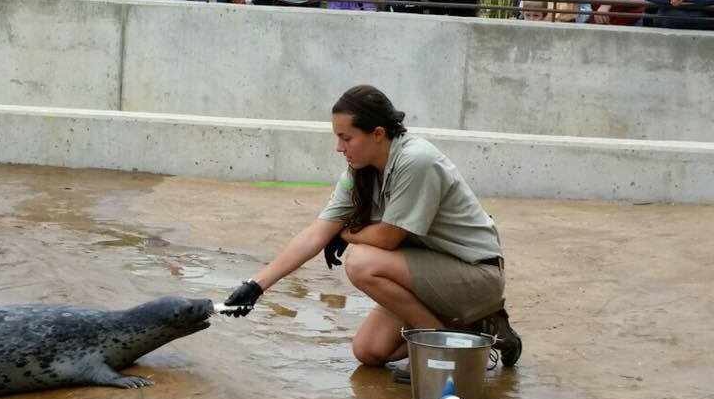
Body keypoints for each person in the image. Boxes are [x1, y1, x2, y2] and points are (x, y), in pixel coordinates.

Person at [219, 85, 523, 375]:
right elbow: (316, 233)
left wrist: (346, 234)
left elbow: (388, 238)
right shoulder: (359, 172)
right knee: (369, 350)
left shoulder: (417, 161)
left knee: (361, 261)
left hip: (475, 275)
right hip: (427, 275)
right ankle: (472, 329)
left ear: (377, 134)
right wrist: (255, 286)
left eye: (346, 138)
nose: (339, 147)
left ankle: (439, 348)